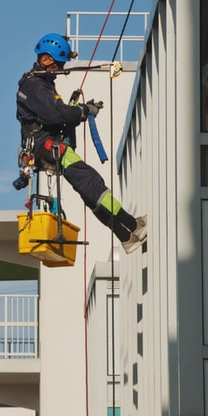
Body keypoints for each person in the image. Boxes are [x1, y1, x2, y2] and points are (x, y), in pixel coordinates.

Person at [16, 33, 147, 254]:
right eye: (58, 64)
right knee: (90, 181)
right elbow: (56, 115)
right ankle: (133, 225)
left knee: (87, 189)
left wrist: (78, 110)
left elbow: (54, 116)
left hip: (46, 144)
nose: (60, 69)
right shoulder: (35, 85)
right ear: (46, 59)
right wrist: (83, 111)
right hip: (47, 146)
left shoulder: (40, 85)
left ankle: (126, 236)